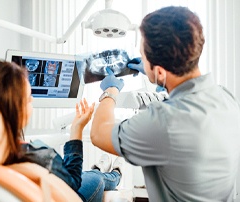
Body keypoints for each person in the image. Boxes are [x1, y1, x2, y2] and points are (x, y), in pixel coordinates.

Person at [90, 6, 240, 202]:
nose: (142, 61)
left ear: (160, 71)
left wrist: (110, 92)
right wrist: (163, 84)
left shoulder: (163, 122)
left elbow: (98, 133)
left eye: (144, 57)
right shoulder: (225, 97)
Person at [0, 60, 123, 202]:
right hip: (66, 190)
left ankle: (102, 168)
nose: (32, 100)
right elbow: (73, 182)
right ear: (13, 111)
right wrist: (77, 129)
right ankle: (114, 173)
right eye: (27, 99)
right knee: (94, 178)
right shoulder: (39, 159)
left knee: (90, 174)